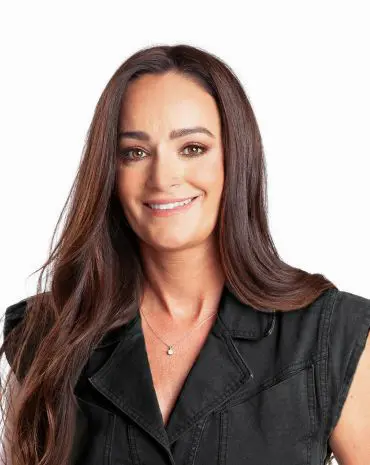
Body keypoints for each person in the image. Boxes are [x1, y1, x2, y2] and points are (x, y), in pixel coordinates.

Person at [1, 43, 369, 465]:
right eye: (135, 153)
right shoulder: (47, 336)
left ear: (235, 158)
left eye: (192, 148)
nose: (163, 177)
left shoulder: (332, 336)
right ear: (109, 171)